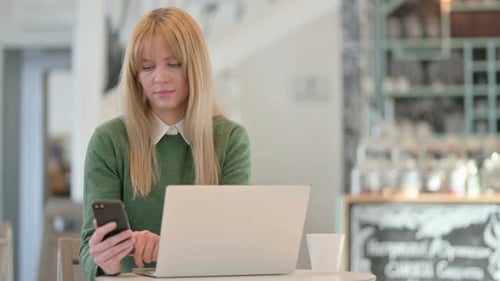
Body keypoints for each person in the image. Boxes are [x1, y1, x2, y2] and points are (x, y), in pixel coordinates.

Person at [79, 7, 251, 280]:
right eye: (147, 67)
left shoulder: (230, 140)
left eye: (173, 64)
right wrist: (107, 261)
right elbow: (90, 249)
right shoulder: (108, 141)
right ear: (136, 75)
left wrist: (168, 248)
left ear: (195, 67)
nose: (159, 77)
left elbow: (235, 242)